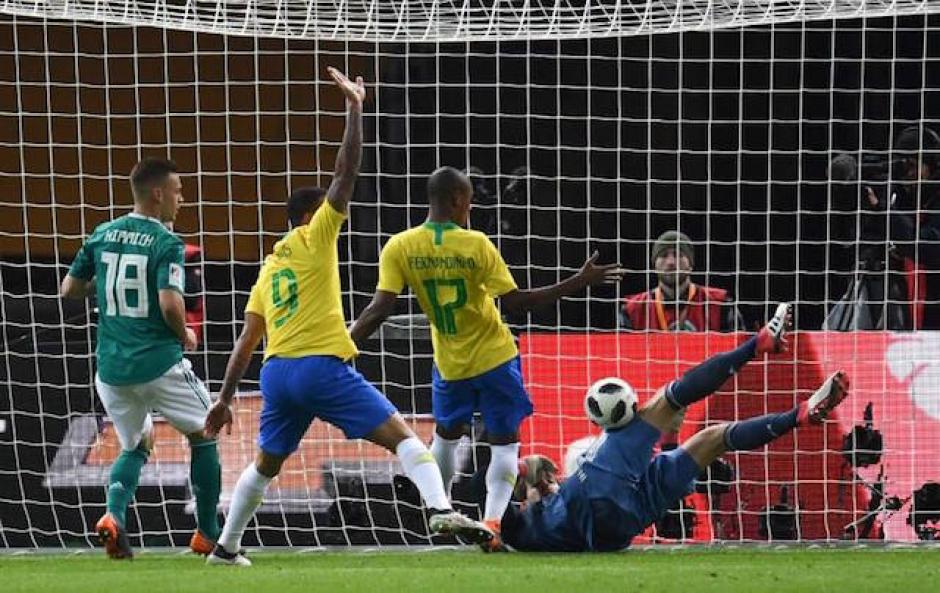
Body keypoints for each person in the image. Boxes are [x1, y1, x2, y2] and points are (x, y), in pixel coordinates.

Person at [202, 69, 491, 566]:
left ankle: (225, 548)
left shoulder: (269, 268)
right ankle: (441, 509)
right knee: (403, 437)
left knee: (265, 464)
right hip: (318, 367)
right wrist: (356, 107)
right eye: (327, 210)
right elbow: (345, 173)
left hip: (276, 374)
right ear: (309, 217)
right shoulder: (315, 237)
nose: (339, 214)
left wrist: (225, 400)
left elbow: (247, 340)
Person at [348, 165, 625, 550]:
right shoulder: (476, 244)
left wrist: (343, 347)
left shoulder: (400, 246)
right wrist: (579, 281)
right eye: (469, 202)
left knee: (446, 438)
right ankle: (492, 524)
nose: (471, 209)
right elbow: (517, 303)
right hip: (496, 359)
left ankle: (440, 507)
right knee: (505, 445)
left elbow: (378, 309)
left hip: (451, 364)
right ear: (457, 200)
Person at [497, 303, 851, 552]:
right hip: (595, 492)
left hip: (620, 529)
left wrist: (531, 481)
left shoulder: (527, 534)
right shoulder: (517, 515)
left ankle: (800, 414)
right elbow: (502, 482)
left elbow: (519, 503)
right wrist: (523, 469)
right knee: (667, 400)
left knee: (714, 439)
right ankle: (758, 344)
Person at [60, 157, 222, 559]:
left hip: (112, 370)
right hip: (158, 364)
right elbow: (169, 304)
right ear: (158, 194)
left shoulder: (102, 233)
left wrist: (104, 287)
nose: (182, 200)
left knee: (137, 443)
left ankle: (114, 516)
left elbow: (69, 289)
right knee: (205, 433)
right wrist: (184, 332)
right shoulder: (167, 243)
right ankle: (208, 534)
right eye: (178, 192)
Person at [620, 230, 744, 332]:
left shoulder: (720, 304)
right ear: (654, 266)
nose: (671, 262)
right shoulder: (632, 309)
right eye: (663, 255)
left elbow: (739, 349)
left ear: (690, 264)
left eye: (678, 255)